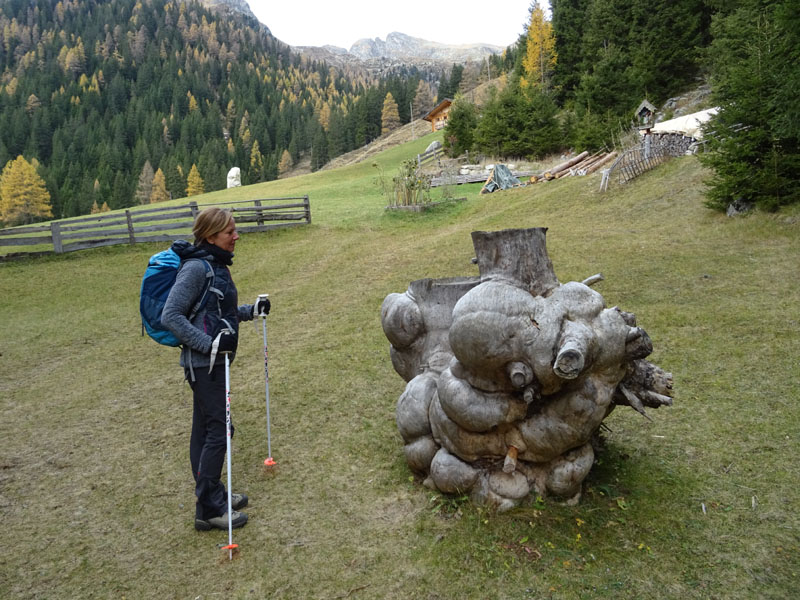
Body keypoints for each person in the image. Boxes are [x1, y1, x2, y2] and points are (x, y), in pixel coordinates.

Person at [162, 207, 270, 531]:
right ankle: (209, 508)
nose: (236, 236)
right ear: (210, 236)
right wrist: (208, 344)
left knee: (205, 431)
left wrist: (251, 311)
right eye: (229, 232)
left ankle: (213, 495)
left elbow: (217, 312)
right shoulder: (197, 268)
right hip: (203, 365)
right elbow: (172, 315)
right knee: (220, 433)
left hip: (213, 363)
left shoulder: (215, 265)